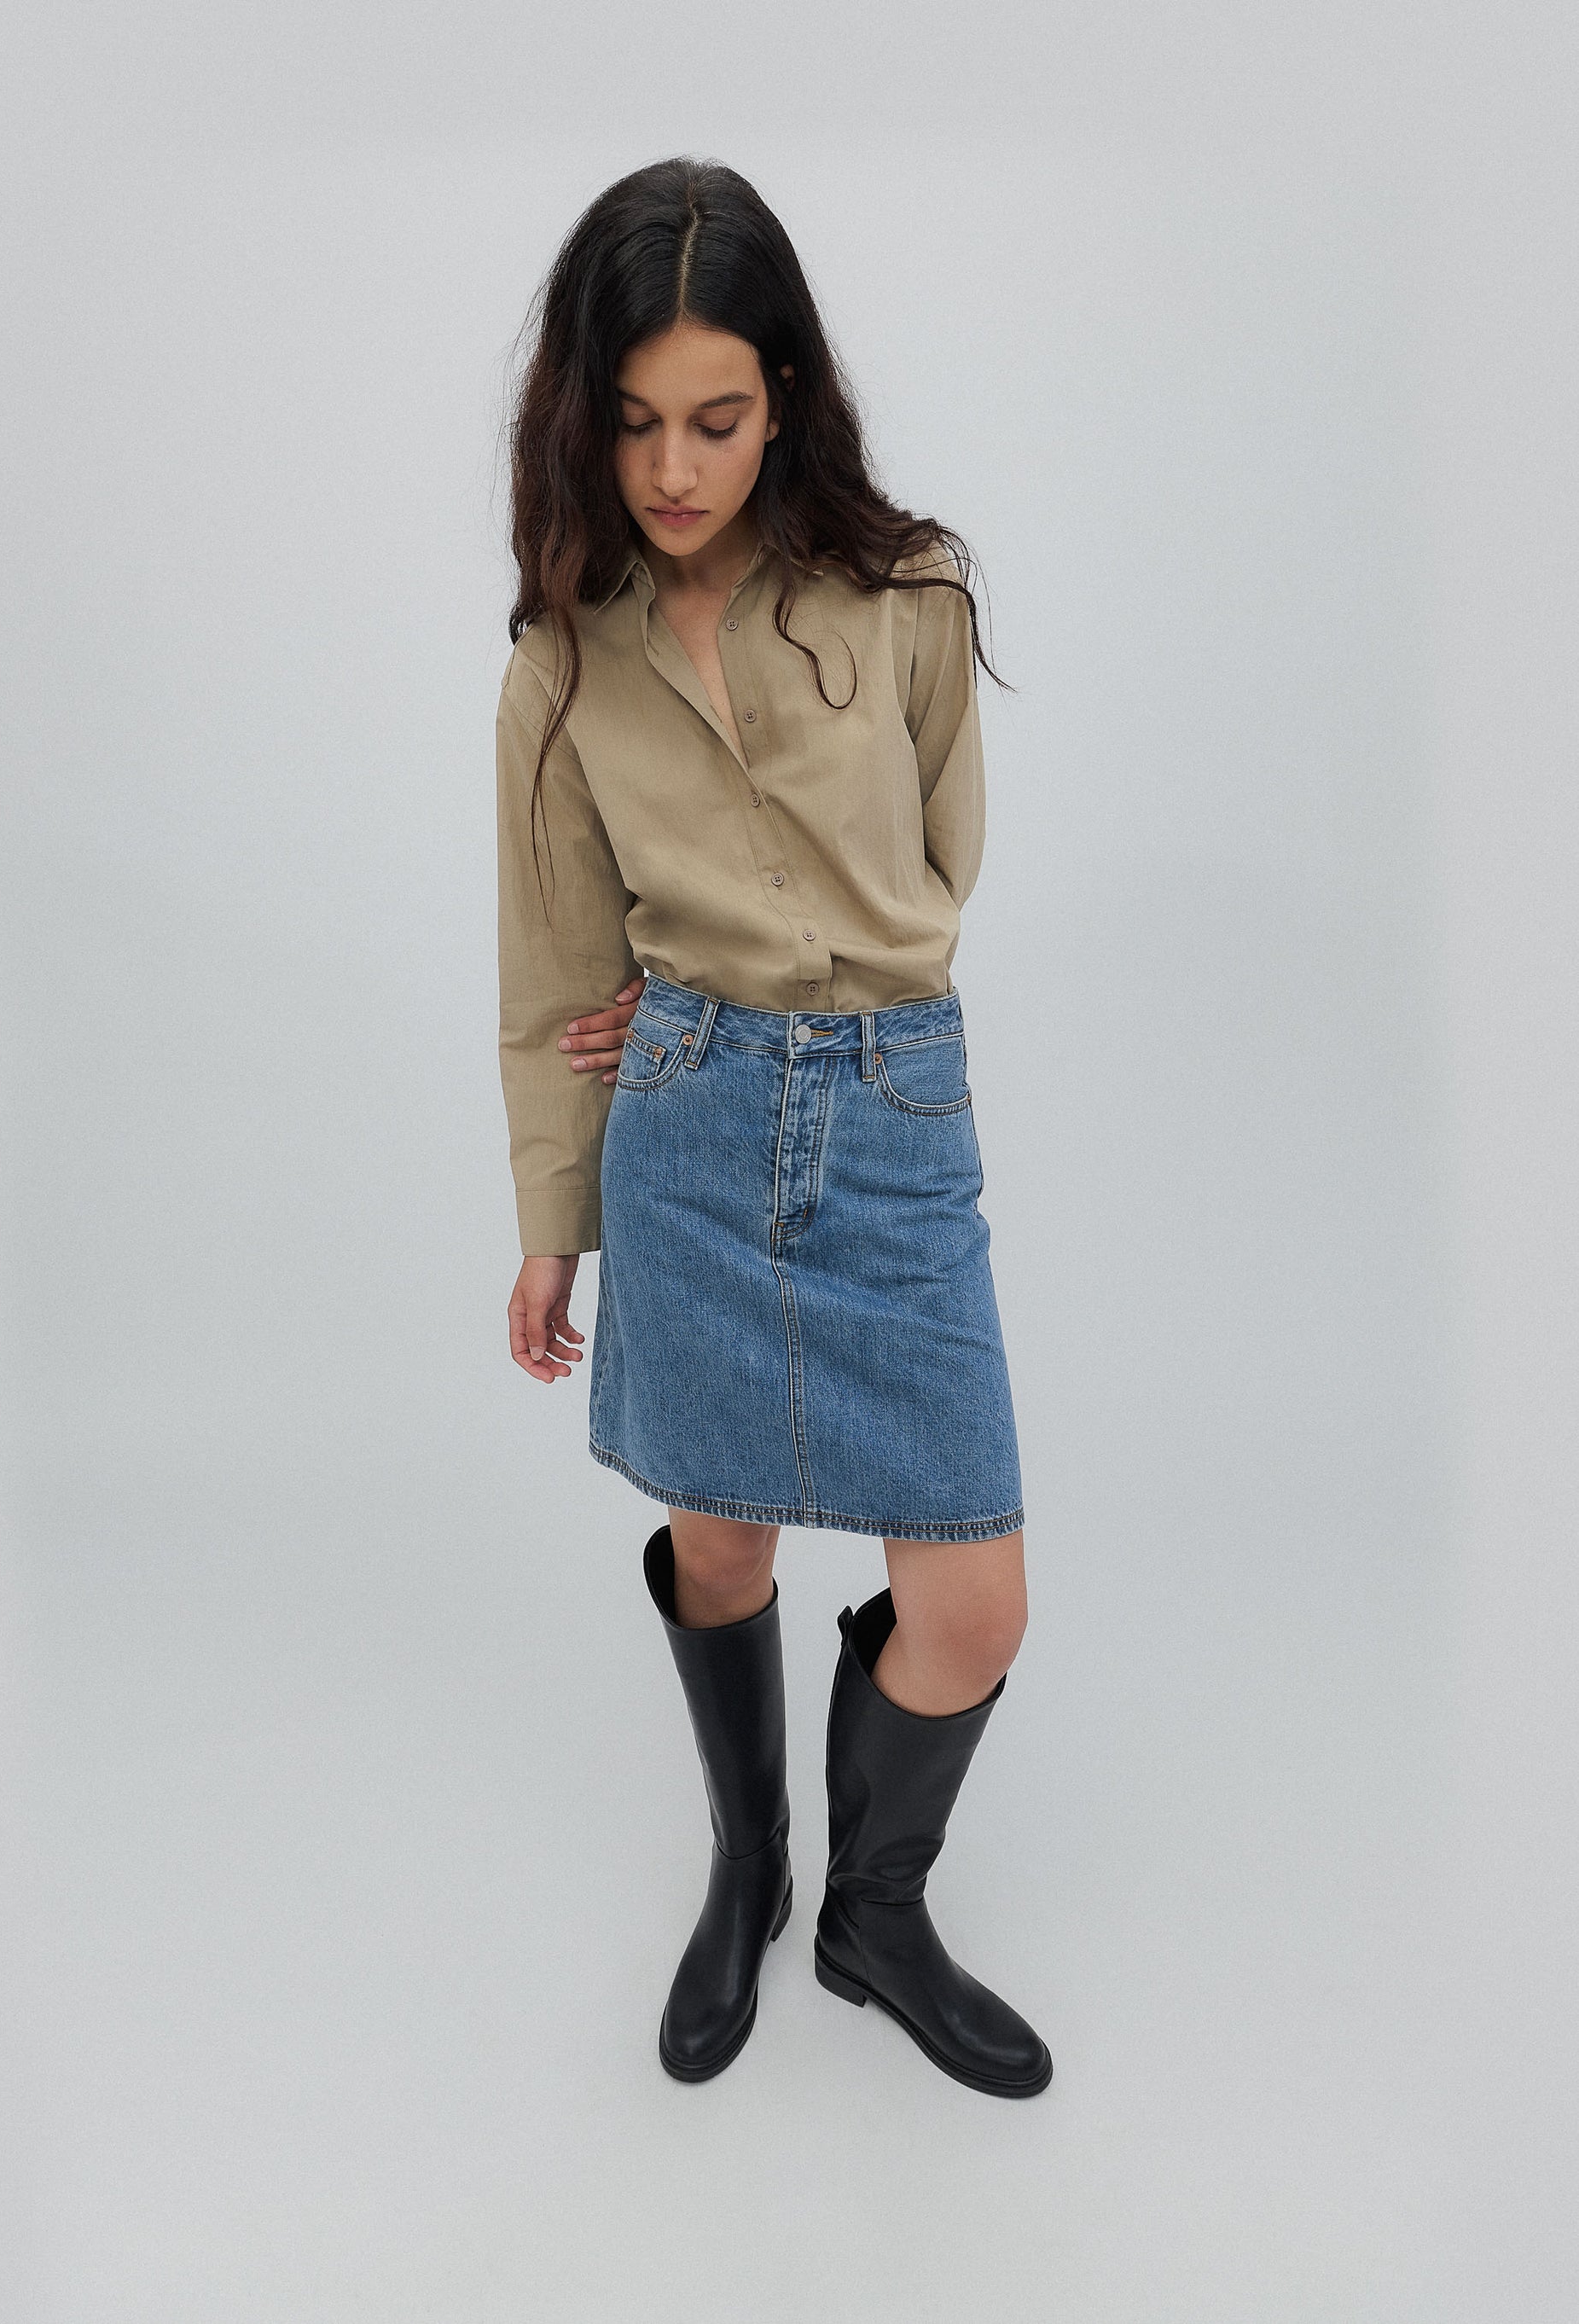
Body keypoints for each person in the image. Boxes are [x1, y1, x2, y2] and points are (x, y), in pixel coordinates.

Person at [495, 157, 1051, 2100]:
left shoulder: (909, 590)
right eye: (634, 422)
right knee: (717, 1539)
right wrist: (554, 1214)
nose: (673, 466)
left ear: (787, 394)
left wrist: (802, 964)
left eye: (716, 419)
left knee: (969, 1599)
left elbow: (935, 871)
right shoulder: (564, 654)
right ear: (586, 413)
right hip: (684, 1125)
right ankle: (749, 1869)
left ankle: (871, 1917)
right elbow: (556, 944)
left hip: (893, 1113)